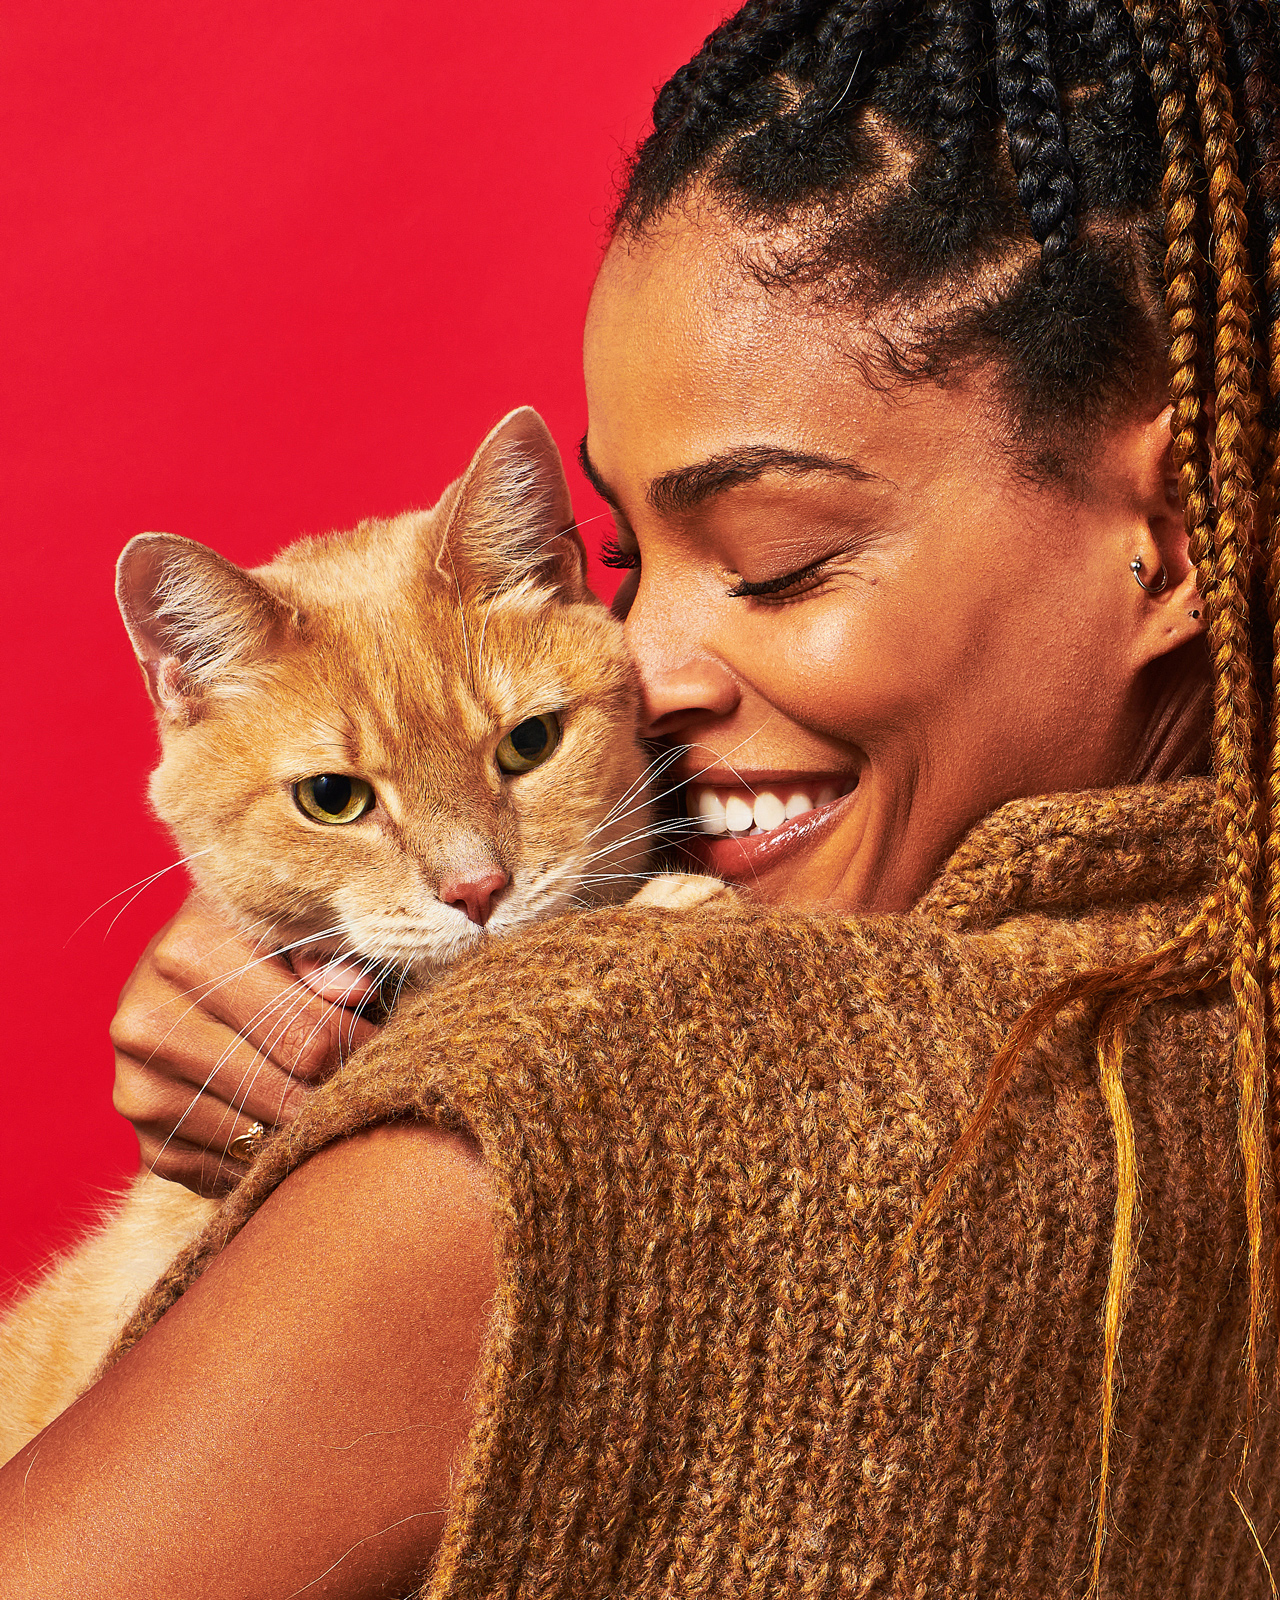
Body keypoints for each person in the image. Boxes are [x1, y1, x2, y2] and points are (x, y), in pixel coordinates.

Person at [3, 1, 1278, 1594]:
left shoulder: (577, 1110)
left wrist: (460, 1058)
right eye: (617, 558)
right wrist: (340, 960)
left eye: (775, 562)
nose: (639, 667)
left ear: (1177, 531)